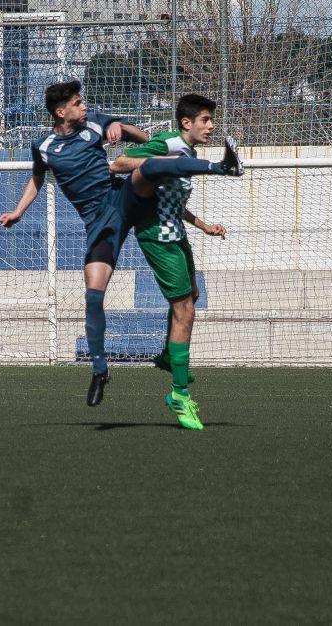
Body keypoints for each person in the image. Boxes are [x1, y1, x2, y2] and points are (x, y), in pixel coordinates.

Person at [0, 80, 242, 407]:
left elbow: (142, 140)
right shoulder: (42, 146)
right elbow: (38, 178)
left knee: (152, 166)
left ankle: (221, 167)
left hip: (123, 197)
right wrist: (18, 210)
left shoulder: (95, 122)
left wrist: (121, 126)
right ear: (61, 112)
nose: (84, 106)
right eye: (77, 102)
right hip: (100, 223)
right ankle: (100, 371)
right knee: (93, 294)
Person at [109, 93, 229, 430]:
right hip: (157, 236)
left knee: (192, 297)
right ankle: (178, 394)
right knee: (185, 310)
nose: (210, 126)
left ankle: (167, 355)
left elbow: (172, 195)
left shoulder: (188, 151)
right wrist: (153, 162)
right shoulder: (167, 143)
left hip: (176, 231)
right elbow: (119, 164)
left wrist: (203, 225)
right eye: (204, 120)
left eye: (211, 120)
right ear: (186, 122)